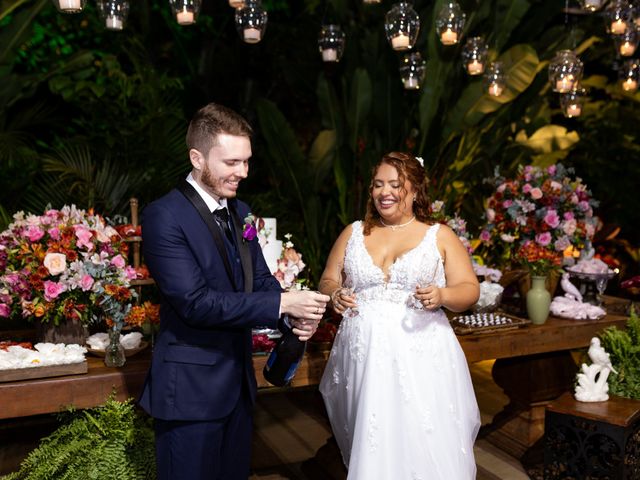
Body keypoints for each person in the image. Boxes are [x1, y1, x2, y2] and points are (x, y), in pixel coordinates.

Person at [138, 103, 329, 480]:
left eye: (246, 161)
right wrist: (281, 302)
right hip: (190, 394)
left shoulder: (241, 210)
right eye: (231, 162)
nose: (243, 172)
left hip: (238, 389)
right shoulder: (163, 216)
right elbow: (196, 304)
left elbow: (258, 278)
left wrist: (292, 314)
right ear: (197, 157)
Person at [318, 152, 481, 479]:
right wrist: (334, 293)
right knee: (374, 439)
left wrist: (443, 295)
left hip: (420, 355)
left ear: (416, 191)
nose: (384, 192)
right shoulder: (353, 233)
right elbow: (327, 279)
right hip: (362, 356)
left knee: (422, 438)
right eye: (378, 184)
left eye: (395, 184)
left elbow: (469, 289)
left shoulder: (439, 235)